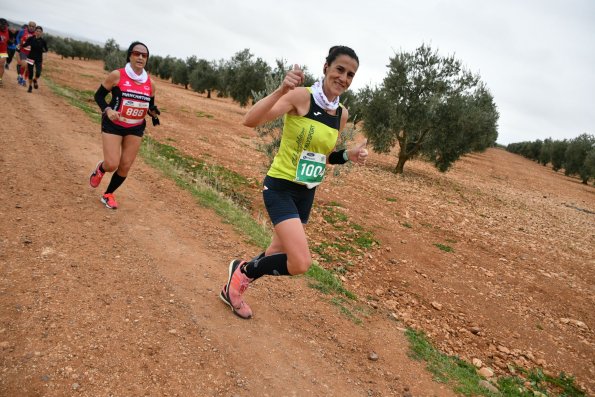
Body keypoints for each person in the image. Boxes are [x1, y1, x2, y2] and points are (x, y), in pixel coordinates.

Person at [219, 46, 367, 319]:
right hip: (280, 187)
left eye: (350, 75)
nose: (344, 78)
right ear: (325, 68)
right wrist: (280, 91)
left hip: (306, 193)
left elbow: (324, 157)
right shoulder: (301, 97)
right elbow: (249, 121)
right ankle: (242, 271)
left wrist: (349, 155)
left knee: (276, 250)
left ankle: (235, 287)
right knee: (299, 262)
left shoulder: (341, 114)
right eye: (339, 69)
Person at [89, 41, 160, 209]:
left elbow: (150, 105)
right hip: (114, 124)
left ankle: (108, 194)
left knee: (125, 165)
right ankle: (101, 168)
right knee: (112, 164)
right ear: (130, 55)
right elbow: (98, 96)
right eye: (137, 53)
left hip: (135, 127)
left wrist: (153, 112)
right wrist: (107, 110)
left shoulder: (151, 84)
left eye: (144, 55)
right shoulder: (117, 75)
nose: (140, 57)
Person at [22, 26, 48, 93]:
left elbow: (46, 50)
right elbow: (24, 45)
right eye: (37, 31)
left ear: (42, 33)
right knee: (30, 73)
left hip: (39, 59)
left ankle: (35, 80)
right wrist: (22, 44)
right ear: (35, 32)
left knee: (38, 73)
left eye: (40, 31)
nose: (38, 32)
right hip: (30, 58)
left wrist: (44, 54)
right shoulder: (31, 38)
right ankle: (30, 86)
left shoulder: (43, 41)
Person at [16, 21, 35, 86]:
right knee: (24, 64)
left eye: (33, 26)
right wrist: (18, 43)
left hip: (31, 53)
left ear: (34, 27)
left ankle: (24, 80)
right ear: (28, 26)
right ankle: (20, 76)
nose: (31, 27)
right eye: (30, 26)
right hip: (23, 51)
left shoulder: (35, 34)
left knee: (29, 67)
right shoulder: (23, 31)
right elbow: (17, 37)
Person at [0, 19, 8, 85]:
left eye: (5, 25)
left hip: (3, 51)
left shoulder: (8, 31)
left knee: (1, 65)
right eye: (2, 25)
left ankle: (0, 79)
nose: (4, 27)